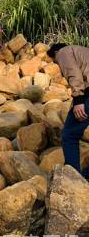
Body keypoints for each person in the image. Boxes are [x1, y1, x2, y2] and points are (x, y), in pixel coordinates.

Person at [47, 43, 89, 178]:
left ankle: (73, 179)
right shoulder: (83, 51)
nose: (58, 64)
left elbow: (73, 73)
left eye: (55, 61)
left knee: (70, 135)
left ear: (55, 52)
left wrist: (78, 101)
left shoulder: (63, 52)